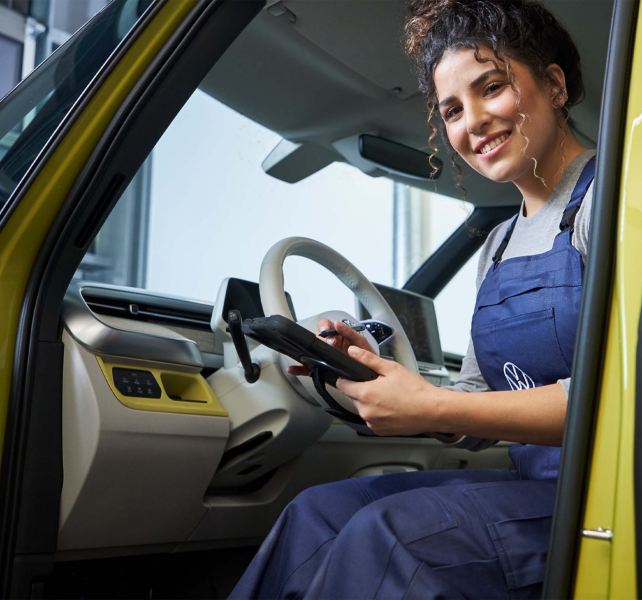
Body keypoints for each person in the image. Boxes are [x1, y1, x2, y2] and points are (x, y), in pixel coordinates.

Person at [231, 0, 595, 597]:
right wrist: (390, 380)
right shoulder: (499, 243)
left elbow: (616, 398)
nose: (473, 121)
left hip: (608, 490)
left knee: (391, 534)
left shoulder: (611, 198)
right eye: (452, 110)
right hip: (538, 487)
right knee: (315, 514)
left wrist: (433, 408)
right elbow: (481, 402)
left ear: (553, 84)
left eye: (492, 88)